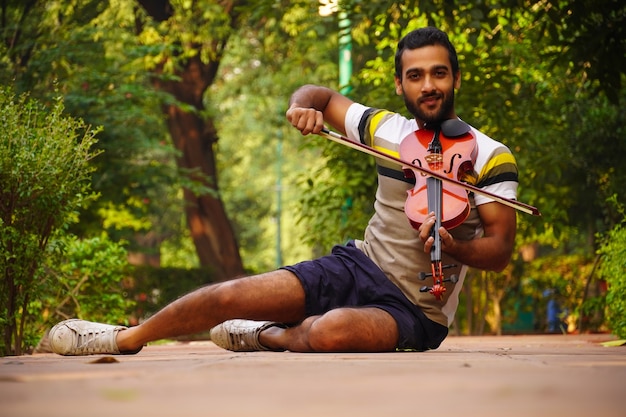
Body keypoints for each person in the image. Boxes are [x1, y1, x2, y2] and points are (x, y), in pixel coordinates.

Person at [48, 26, 518, 356]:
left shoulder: (489, 155)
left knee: (331, 331)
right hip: (357, 265)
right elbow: (320, 95)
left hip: (417, 308)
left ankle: (267, 336)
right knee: (233, 293)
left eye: (439, 73)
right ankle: (124, 337)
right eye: (415, 76)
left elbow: (499, 250)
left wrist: (453, 244)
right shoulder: (385, 130)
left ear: (456, 77)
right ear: (400, 84)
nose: (428, 86)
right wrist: (301, 107)